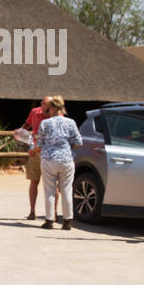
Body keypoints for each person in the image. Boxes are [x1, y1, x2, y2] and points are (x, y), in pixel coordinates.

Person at [35, 96, 82, 230]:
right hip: (66, 159)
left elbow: (40, 143)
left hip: (49, 160)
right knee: (67, 190)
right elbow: (78, 142)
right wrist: (68, 147)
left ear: (53, 108)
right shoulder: (71, 122)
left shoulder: (45, 123)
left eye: (48, 109)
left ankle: (49, 220)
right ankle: (67, 221)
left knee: (49, 190)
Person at [18, 96, 52, 220]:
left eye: (43, 103)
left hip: (50, 153)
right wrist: (20, 132)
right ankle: (32, 211)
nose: (41, 103)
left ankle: (53, 214)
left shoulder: (55, 116)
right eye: (42, 102)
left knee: (52, 184)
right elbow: (27, 124)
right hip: (35, 152)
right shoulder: (34, 112)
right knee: (34, 181)